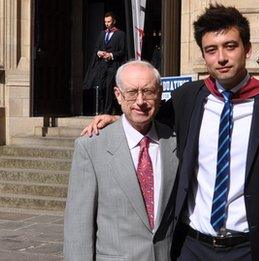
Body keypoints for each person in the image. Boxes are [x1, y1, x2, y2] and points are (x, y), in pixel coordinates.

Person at [81, 4, 259, 260]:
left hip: (251, 247)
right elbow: (147, 117)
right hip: (192, 246)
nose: (221, 58)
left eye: (230, 46)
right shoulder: (188, 98)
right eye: (211, 49)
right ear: (203, 55)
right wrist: (116, 118)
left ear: (247, 48)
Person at [64, 61, 178, 261]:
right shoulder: (91, 147)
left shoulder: (175, 142)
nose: (140, 101)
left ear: (160, 93)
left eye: (149, 91)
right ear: (118, 95)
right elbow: (78, 226)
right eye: (132, 92)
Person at [83, 12, 126, 114]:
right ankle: (101, 109)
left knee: (109, 88)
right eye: (105, 22)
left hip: (113, 65)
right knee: (101, 87)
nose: (107, 24)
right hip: (102, 66)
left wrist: (110, 55)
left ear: (114, 21)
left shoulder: (120, 34)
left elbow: (122, 51)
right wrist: (99, 53)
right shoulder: (102, 33)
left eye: (109, 21)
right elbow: (96, 48)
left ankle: (108, 111)